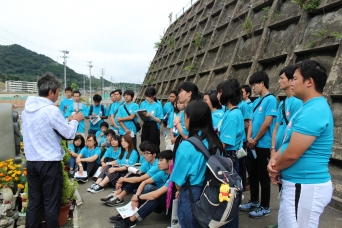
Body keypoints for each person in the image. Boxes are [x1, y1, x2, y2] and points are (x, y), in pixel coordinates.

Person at [268, 60, 333, 228]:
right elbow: (288, 142)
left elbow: (292, 154)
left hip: (305, 185)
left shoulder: (314, 110)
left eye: (295, 78)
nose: (292, 82)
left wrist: (275, 168)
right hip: (297, 185)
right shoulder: (306, 107)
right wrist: (275, 160)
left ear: (309, 82)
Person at [22, 73, 83, 228]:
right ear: (50, 92)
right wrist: (75, 121)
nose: (58, 94)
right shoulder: (50, 110)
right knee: (51, 203)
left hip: (32, 162)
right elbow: (68, 134)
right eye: (57, 91)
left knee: (34, 203)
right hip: (49, 163)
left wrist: (67, 121)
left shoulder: (27, 110)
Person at [170, 100, 224, 227]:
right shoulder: (216, 141)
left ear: (190, 119)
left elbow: (178, 183)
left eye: (185, 117)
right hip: (214, 194)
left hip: (192, 195)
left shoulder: (186, 146)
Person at [240, 71, 278, 218]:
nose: (253, 88)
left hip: (263, 145)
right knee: (253, 174)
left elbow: (267, 123)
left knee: (263, 176)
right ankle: (255, 201)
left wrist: (255, 138)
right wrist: (249, 137)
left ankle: (265, 206)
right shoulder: (256, 102)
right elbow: (250, 122)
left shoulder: (271, 100)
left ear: (262, 83)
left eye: (254, 84)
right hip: (253, 144)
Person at [111, 150, 174, 228]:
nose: (158, 163)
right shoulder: (163, 172)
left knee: (157, 196)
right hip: (165, 202)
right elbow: (144, 182)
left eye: (161, 160)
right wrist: (136, 196)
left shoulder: (174, 176)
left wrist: (138, 197)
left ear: (170, 161)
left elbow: (156, 194)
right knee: (147, 186)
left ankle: (131, 220)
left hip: (173, 208)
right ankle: (127, 213)